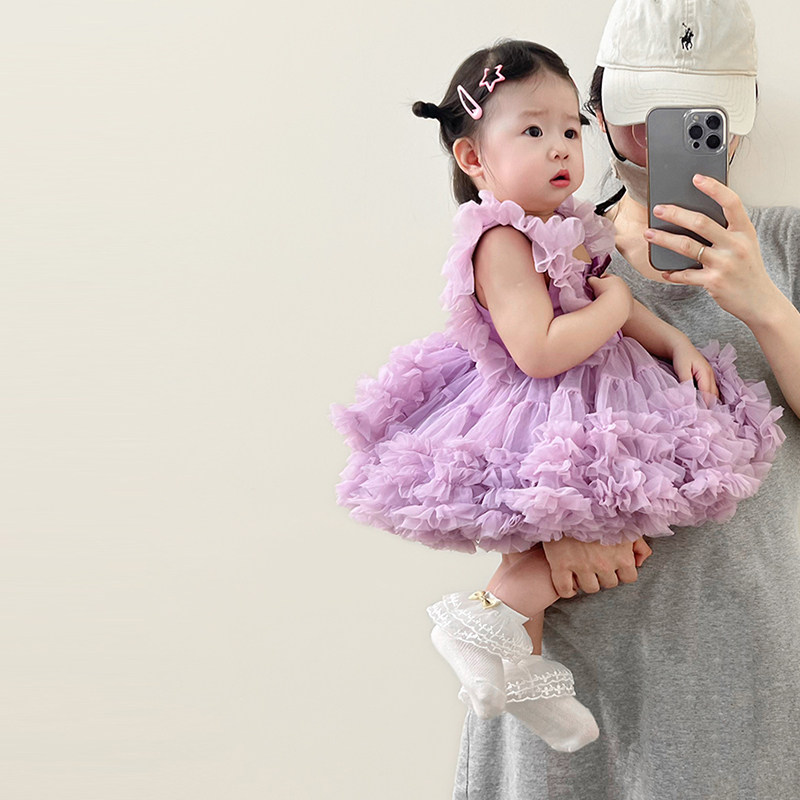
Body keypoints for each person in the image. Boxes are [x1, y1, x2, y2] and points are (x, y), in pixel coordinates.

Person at [331, 37, 783, 754]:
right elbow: (540, 350)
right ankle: (484, 618)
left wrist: (673, 341)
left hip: (589, 391)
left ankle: (524, 673)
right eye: (534, 131)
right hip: (541, 404)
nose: (560, 147)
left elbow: (604, 300)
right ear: (473, 158)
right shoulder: (500, 240)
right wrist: (615, 305)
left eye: (570, 130)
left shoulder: (567, 224)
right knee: (609, 521)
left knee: (612, 519)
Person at [452, 1, 800, 798]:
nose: (654, 140)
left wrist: (763, 304)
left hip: (739, 668)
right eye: (642, 114)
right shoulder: (542, 244)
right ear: (599, 110)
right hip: (562, 669)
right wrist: (552, 530)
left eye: (698, 117)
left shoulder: (787, 244)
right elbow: (482, 423)